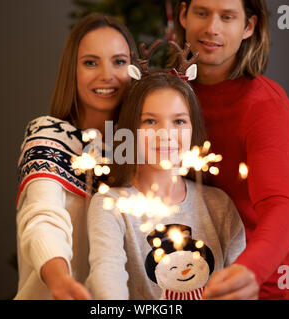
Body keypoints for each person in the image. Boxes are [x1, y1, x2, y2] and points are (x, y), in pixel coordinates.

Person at [86, 52, 246, 300]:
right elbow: (107, 281)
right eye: (150, 121)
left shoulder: (219, 205)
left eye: (179, 122)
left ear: (193, 129)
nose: (166, 134)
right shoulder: (111, 207)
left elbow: (240, 289)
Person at [174, 0, 289, 299]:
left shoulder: (265, 106)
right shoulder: (166, 92)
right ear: (183, 14)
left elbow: (280, 207)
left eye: (227, 17)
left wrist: (249, 270)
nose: (211, 28)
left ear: (248, 27)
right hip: (172, 278)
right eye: (201, 13)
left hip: (250, 285)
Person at [14, 13, 137, 300]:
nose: (107, 74)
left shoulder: (142, 146)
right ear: (73, 70)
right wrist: (59, 280)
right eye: (90, 62)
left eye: (119, 61)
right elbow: (43, 216)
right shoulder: (47, 135)